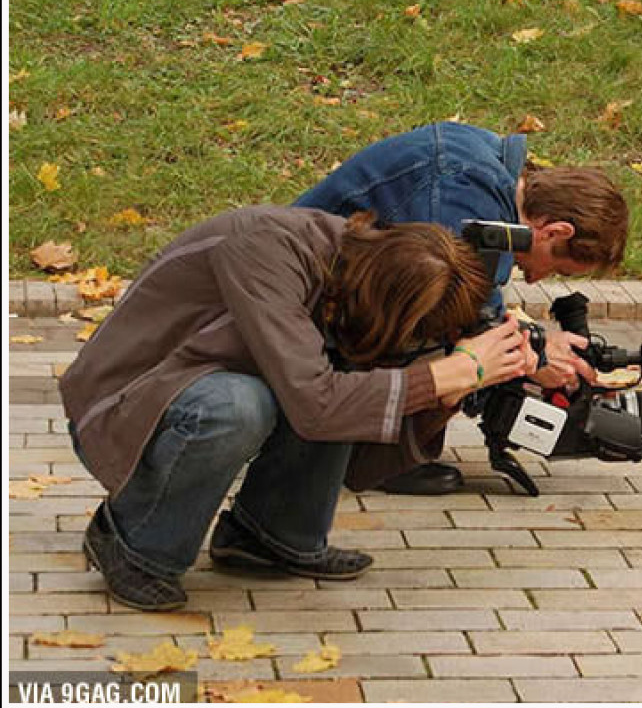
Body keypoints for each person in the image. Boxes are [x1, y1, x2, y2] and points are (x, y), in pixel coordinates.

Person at [59, 205, 536, 611]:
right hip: (126, 401)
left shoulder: (360, 285)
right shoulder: (266, 247)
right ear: (390, 302)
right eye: (415, 337)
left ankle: (269, 538)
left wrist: (444, 396)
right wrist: (442, 375)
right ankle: (134, 546)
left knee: (343, 386)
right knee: (242, 406)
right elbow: (316, 406)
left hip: (200, 391)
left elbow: (366, 455)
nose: (415, 348)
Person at [295, 121, 630, 494]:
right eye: (556, 267)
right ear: (555, 232)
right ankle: (380, 453)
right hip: (309, 315)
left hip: (326, 298)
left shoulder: (487, 174)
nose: (535, 280)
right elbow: (459, 311)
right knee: (452, 336)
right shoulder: (463, 193)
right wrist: (534, 357)